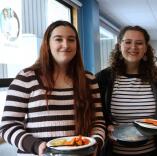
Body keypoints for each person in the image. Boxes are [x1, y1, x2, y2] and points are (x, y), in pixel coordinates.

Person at [0, 20, 106, 156]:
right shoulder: (26, 77)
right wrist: (36, 146)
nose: (66, 45)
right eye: (58, 39)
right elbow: (8, 125)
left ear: (77, 46)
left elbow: (98, 122)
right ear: (47, 44)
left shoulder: (89, 79)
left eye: (71, 40)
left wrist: (95, 144)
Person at [96, 25, 157, 156]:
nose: (133, 47)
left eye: (139, 43)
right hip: (114, 152)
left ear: (146, 48)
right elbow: (97, 114)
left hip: (152, 151)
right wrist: (107, 126)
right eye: (128, 42)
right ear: (119, 45)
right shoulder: (103, 78)